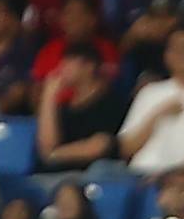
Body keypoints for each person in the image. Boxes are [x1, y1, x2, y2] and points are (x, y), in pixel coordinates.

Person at [36, 42, 127, 173]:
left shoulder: (112, 102)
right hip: (55, 174)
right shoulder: (64, 108)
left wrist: (55, 154)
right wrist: (48, 97)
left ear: (89, 66)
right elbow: (47, 146)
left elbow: (101, 145)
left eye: (69, 63)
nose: (62, 69)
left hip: (92, 173)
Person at [119, 24, 184, 177]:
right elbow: (125, 148)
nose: (180, 53)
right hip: (140, 175)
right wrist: (157, 115)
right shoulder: (149, 92)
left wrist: (174, 175)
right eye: (173, 48)